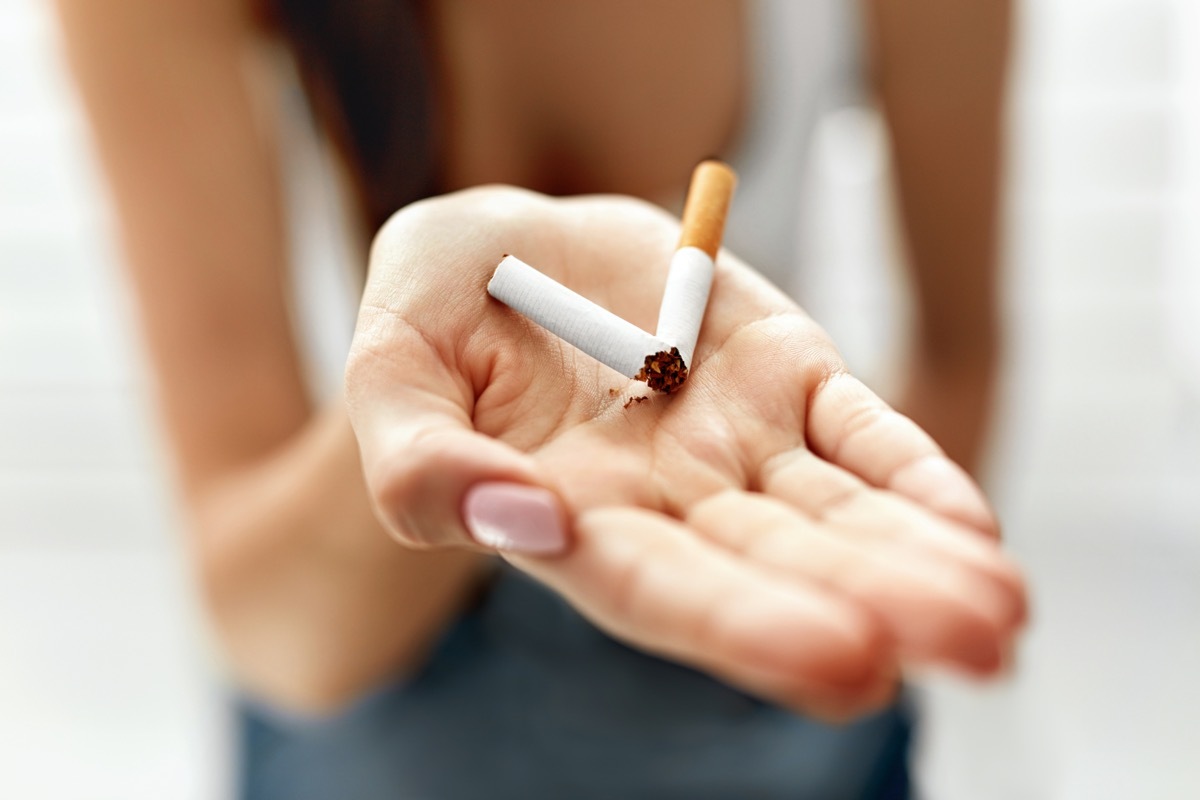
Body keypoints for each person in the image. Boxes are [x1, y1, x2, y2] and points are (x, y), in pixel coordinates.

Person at [54, 0, 1023, 797]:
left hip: (746, 550)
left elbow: (960, 352)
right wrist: (445, 399)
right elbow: (262, 613)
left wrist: (857, 584)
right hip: (378, 633)